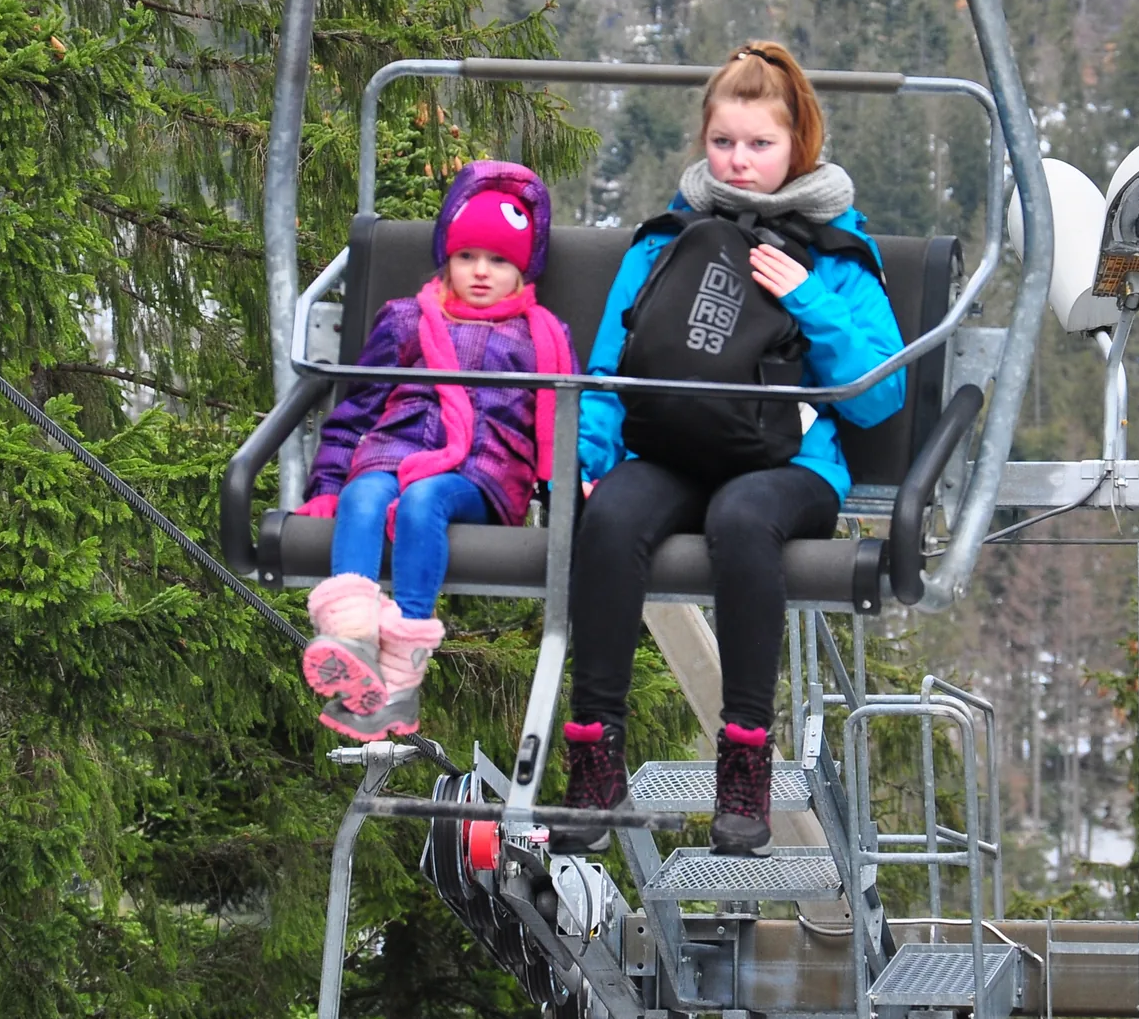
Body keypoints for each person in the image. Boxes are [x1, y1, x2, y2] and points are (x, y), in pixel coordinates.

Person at [558, 43, 906, 855]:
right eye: (723, 143)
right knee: (610, 519)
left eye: (759, 144)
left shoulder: (837, 253)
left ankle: (744, 762)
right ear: (703, 142)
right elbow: (612, 364)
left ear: (798, 147)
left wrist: (806, 296)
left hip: (790, 467)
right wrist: (589, 460)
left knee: (744, 520)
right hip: (674, 447)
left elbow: (880, 392)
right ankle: (594, 762)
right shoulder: (668, 242)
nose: (739, 162)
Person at [298, 161, 575, 740]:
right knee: (365, 491)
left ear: (523, 269)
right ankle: (353, 641)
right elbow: (357, 411)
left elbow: (563, 421)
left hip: (482, 471)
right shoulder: (407, 320)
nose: (480, 272)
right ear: (447, 257)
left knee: (425, 501)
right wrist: (325, 487)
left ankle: (403, 664)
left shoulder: (539, 336)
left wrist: (574, 490)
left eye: (499, 261)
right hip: (392, 448)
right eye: (468, 256)